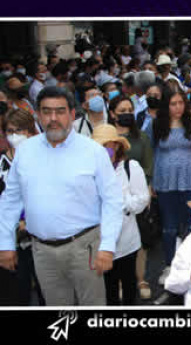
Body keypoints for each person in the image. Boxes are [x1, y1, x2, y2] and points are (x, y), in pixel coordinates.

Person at [0, 86, 123, 305]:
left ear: (73, 114)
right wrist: (5, 243)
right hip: (42, 252)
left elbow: (112, 201)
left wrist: (107, 246)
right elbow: (10, 200)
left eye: (60, 111)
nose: (53, 118)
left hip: (85, 248)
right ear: (38, 115)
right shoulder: (26, 152)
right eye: (46, 112)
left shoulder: (93, 152)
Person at [152, 84, 191, 283]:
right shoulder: (156, 124)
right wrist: (151, 181)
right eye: (173, 103)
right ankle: (170, 265)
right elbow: (151, 152)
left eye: (181, 102)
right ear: (166, 105)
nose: (178, 107)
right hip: (165, 182)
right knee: (169, 226)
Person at [92, 125, 149, 306]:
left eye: (105, 145)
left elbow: (141, 201)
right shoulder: (89, 172)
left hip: (127, 242)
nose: (102, 151)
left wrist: (119, 202)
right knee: (108, 290)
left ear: (116, 145)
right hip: (100, 244)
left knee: (129, 285)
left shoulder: (130, 168)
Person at [107, 95, 156, 300]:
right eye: (122, 110)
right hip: (113, 202)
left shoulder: (141, 137)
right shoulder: (105, 138)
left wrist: (144, 193)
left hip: (137, 193)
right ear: (112, 114)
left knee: (139, 242)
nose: (127, 114)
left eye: (130, 109)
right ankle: (116, 283)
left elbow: (148, 165)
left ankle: (140, 278)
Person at [0, 109, 44, 305]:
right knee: (16, 297)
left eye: (21, 130)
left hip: (44, 241)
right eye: (11, 131)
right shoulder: (1, 166)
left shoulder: (44, 160)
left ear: (31, 132)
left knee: (50, 297)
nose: (16, 136)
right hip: (13, 243)